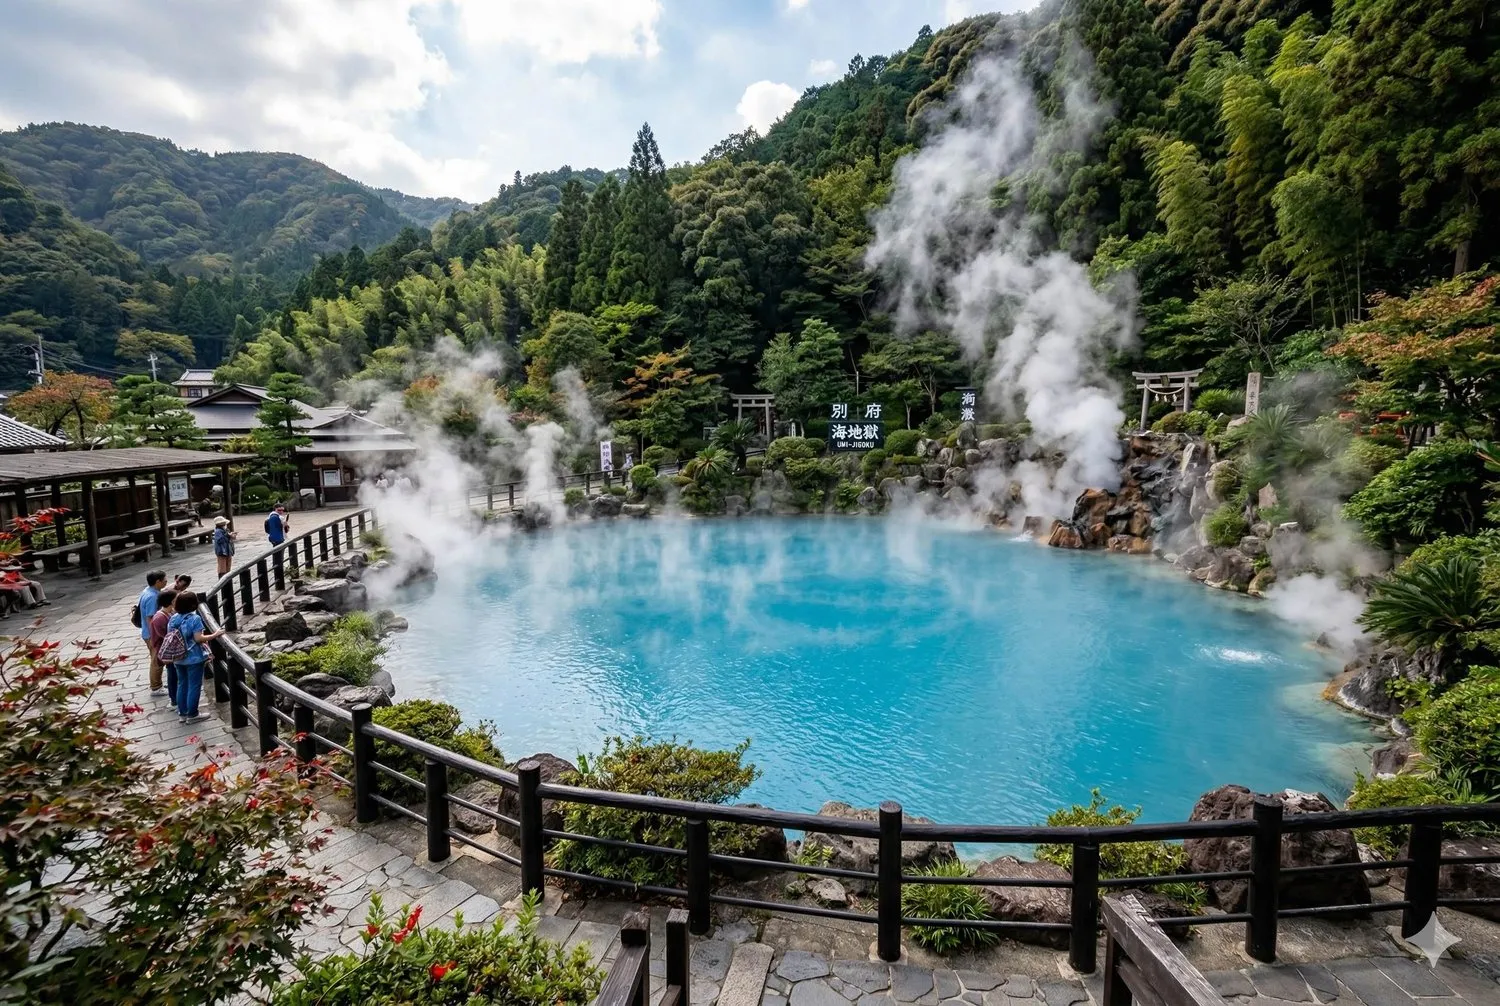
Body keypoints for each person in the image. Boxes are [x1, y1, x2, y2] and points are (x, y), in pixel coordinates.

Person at [168, 590, 221, 724]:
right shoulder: (194, 618)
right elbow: (199, 638)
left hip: (178, 656)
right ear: (192, 605)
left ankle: (182, 713)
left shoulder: (173, 618)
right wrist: (215, 634)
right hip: (193, 657)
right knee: (194, 685)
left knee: (182, 684)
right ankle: (193, 714)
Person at [138, 570, 167, 694]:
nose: (166, 582)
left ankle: (157, 683)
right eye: (164, 580)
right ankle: (155, 686)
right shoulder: (152, 597)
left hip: (147, 632)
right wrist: (156, 634)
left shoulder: (147, 591)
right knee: (157, 659)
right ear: (158, 582)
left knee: (156, 658)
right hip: (151, 633)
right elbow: (150, 617)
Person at [149, 588, 178, 710]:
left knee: (174, 674)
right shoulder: (160, 618)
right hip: (168, 652)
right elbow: (166, 636)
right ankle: (174, 699)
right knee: (172, 674)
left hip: (170, 651)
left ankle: (175, 698)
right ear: (171, 602)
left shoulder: (168, 614)